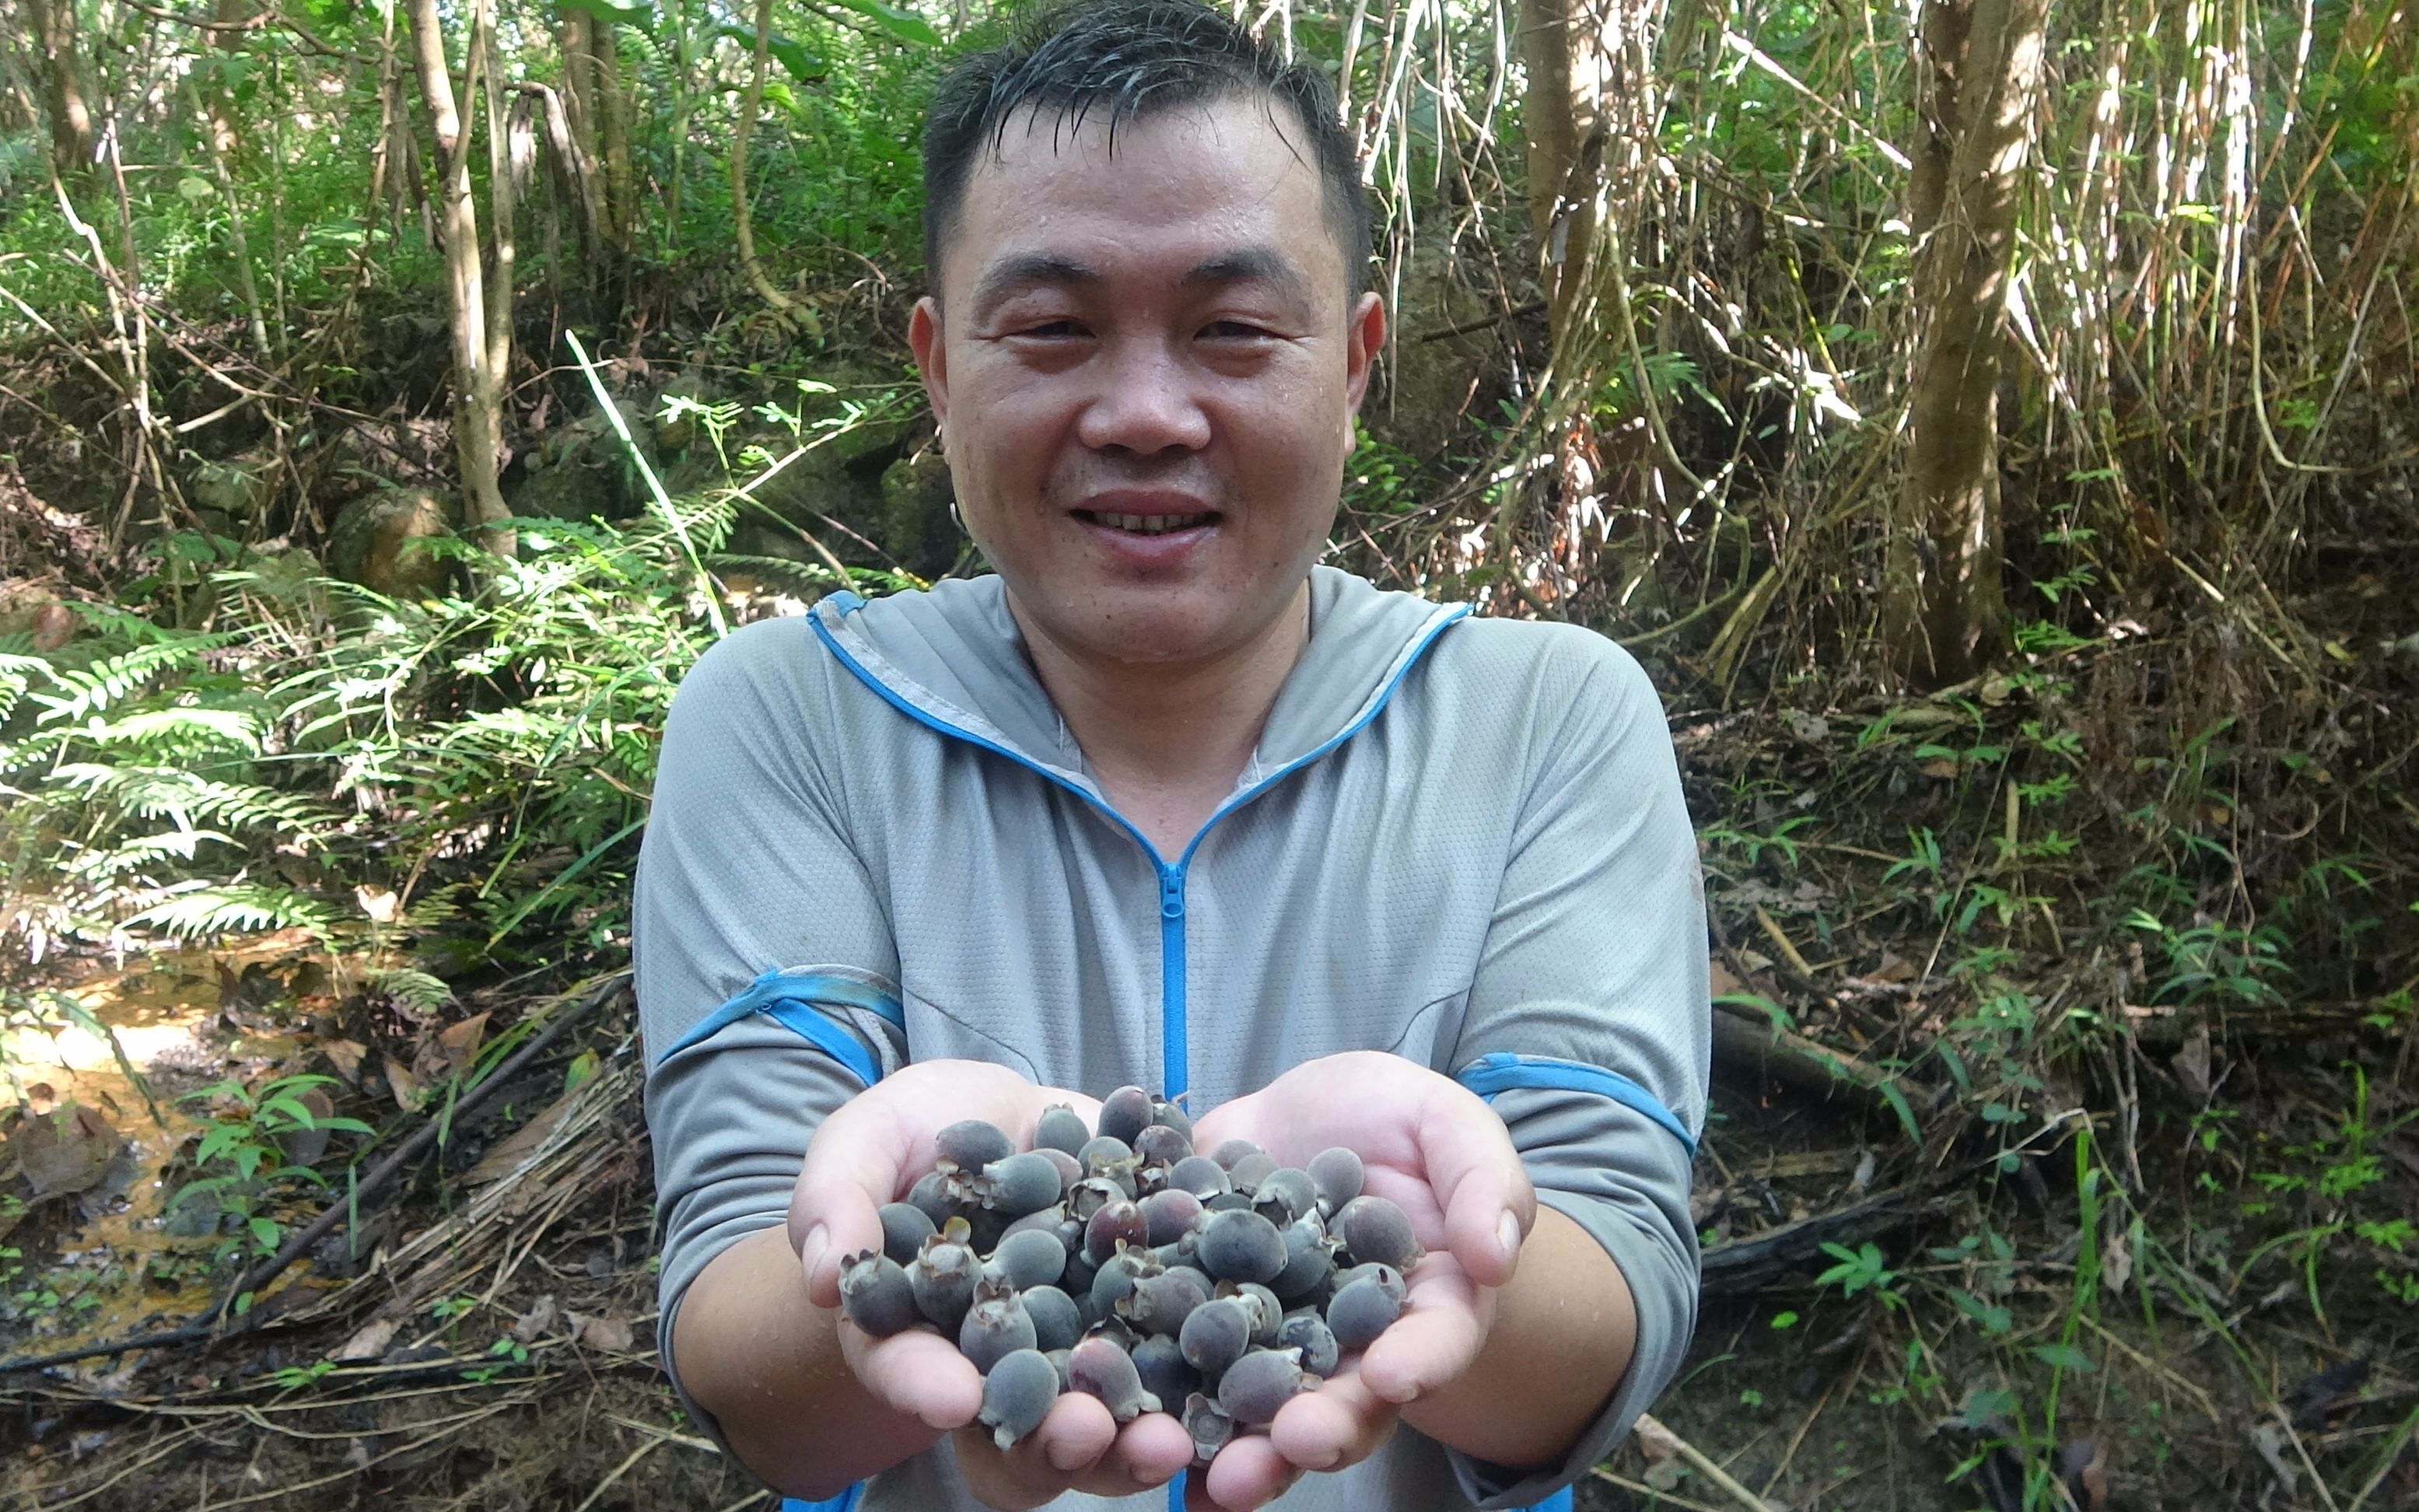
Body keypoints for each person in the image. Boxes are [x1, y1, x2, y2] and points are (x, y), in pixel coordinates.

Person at [634, 2, 1710, 1508]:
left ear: (1353, 362)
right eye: (1056, 329)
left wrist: (1446, 1250)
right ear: (940, 370)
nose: (1144, 413)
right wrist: (876, 1274)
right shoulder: (792, 717)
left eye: (1232, 329)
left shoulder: (1548, 717)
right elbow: (751, 1366)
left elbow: (1608, 1297)